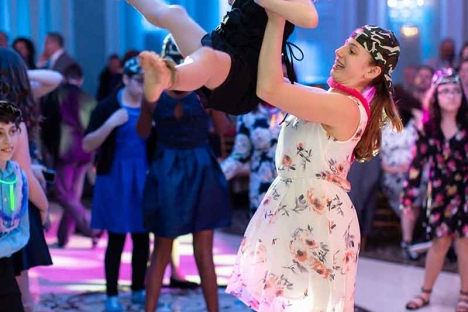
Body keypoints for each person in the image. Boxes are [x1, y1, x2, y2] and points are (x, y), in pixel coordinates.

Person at [225, 10, 402, 310]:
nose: (339, 50)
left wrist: (278, 14)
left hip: (316, 220)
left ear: (371, 71)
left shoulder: (344, 107)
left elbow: (270, 88)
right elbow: (273, 84)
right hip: (297, 210)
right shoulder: (328, 98)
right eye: (346, 44)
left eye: (353, 49)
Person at [137, 35, 231, 312]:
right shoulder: (205, 93)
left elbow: (142, 132)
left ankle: (149, 310)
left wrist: (148, 103)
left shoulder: (154, 93)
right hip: (200, 167)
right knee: (204, 253)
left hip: (167, 168)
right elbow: (224, 129)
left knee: (161, 251)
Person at [126, 0, 318, 115]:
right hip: (220, 44)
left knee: (208, 59)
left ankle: (167, 78)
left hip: (245, 75)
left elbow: (310, 18)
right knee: (174, 15)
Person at [83, 57, 153, 312]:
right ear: (125, 79)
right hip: (114, 178)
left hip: (142, 177)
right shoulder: (107, 107)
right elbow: (87, 144)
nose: (143, 86)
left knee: (142, 237)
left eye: (147, 81)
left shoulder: (151, 105)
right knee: (116, 238)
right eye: (139, 81)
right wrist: (111, 123)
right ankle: (111, 295)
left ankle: (138, 290)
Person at [402, 70, 468, 311]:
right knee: (439, 242)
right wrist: (408, 198)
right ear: (436, 96)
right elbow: (415, 165)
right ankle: (425, 292)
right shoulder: (428, 128)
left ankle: (465, 294)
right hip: (439, 193)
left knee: (464, 243)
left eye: (456, 90)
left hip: (465, 193)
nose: (451, 95)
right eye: (445, 91)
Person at [0, 47, 58, 312]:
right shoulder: (13, 121)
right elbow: (22, 175)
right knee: (14, 284)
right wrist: (44, 206)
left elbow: (55, 79)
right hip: (9, 201)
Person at [40, 63, 98, 248]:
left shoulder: (56, 95)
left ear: (64, 78)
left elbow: (47, 124)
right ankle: (64, 237)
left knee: (62, 194)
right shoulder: (89, 98)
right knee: (73, 194)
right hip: (86, 150)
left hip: (65, 149)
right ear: (80, 79)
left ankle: (91, 226)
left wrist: (47, 149)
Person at [0, 100, 29, 312]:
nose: (8, 141)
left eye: (13, 131)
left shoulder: (17, 175)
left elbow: (22, 230)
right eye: (0, 133)